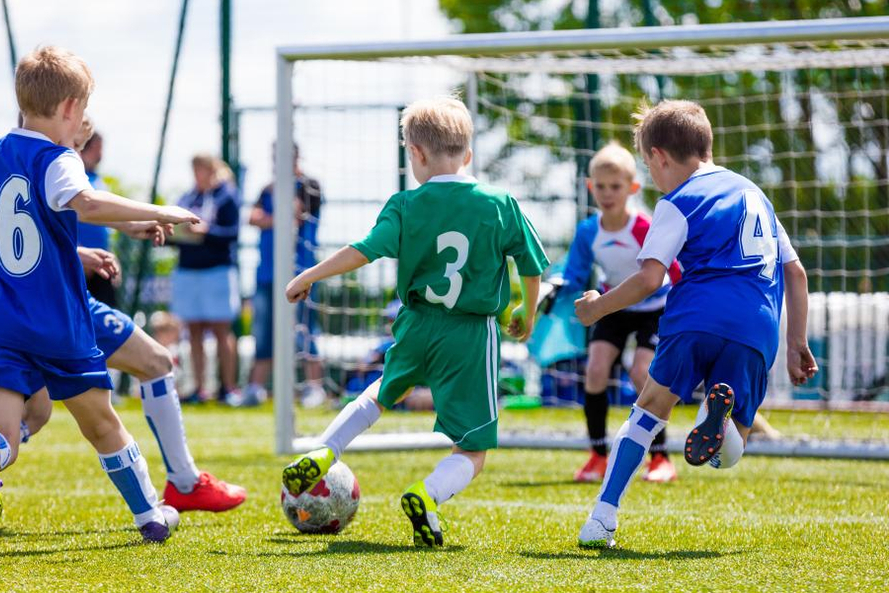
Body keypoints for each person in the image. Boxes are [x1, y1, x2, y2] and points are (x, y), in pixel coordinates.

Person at [0, 46, 200, 543]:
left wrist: (36, 245)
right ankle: (151, 515)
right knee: (101, 423)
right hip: (53, 321)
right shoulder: (57, 157)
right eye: (82, 111)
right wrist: (164, 212)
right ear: (68, 109)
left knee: (8, 429)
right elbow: (85, 201)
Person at [280, 96, 549, 547]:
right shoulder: (500, 203)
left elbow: (362, 250)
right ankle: (426, 496)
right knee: (474, 447)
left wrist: (309, 274)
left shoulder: (404, 204)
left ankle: (325, 448)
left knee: (382, 391)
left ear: (416, 155)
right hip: (469, 332)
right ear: (467, 154)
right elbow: (531, 265)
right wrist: (528, 310)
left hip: (416, 321)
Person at [574, 100, 818, 548]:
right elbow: (796, 273)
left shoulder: (678, 201)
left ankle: (601, 520)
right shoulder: (756, 195)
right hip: (757, 329)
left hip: (697, 317)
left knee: (646, 413)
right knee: (728, 453)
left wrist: (597, 308)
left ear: (659, 157)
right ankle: (718, 418)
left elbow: (650, 278)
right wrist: (797, 341)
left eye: (650, 169)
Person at [560, 142, 681, 483]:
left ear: (632, 188)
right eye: (600, 186)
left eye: (615, 187)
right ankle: (598, 454)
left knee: (643, 373)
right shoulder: (588, 232)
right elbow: (573, 273)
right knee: (595, 370)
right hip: (613, 305)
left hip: (655, 308)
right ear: (589, 186)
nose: (607, 193)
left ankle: (660, 458)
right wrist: (558, 287)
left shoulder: (644, 227)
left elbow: (673, 272)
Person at [245, 145, 326, 407]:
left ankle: (315, 388)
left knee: (305, 329)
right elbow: (253, 218)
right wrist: (273, 217)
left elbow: (295, 215)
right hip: (268, 274)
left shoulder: (310, 185)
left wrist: (274, 214)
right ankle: (254, 388)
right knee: (264, 331)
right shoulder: (267, 188)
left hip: (301, 272)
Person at [171, 155, 242, 403]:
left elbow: (233, 233)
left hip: (217, 271)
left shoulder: (227, 195)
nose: (197, 174)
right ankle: (199, 388)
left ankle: (229, 388)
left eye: (201, 169)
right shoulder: (187, 198)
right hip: (188, 270)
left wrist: (206, 231)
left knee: (222, 330)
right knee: (194, 331)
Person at [74, 118, 117, 307]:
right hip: (78, 262)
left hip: (100, 261)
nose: (100, 155)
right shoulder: (72, 178)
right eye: (96, 149)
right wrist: (80, 254)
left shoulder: (98, 180)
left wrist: (110, 256)